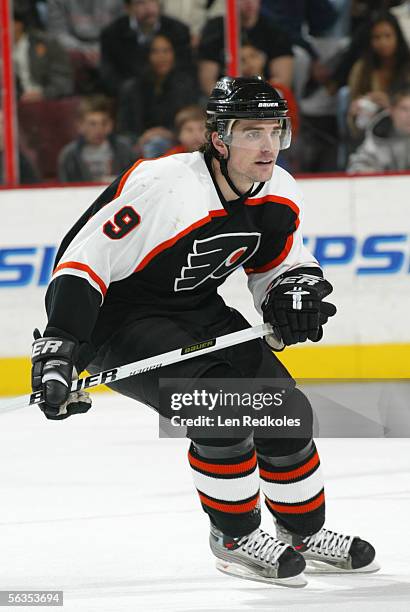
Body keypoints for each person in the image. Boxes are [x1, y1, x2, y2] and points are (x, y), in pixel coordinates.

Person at [31, 76, 379, 587]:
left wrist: (290, 294)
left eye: (275, 130)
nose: (268, 145)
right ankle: (233, 538)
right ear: (220, 138)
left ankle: (301, 532)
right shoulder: (162, 184)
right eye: (252, 132)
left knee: (286, 407)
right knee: (221, 407)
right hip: (118, 325)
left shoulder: (279, 191)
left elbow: (277, 265)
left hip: (196, 311)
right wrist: (62, 346)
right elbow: (85, 261)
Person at [117, 34, 200, 151]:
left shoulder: (185, 84)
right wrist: (144, 137)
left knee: (156, 145)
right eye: (155, 52)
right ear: (147, 55)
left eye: (166, 51)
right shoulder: (132, 88)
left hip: (175, 139)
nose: (162, 57)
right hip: (138, 141)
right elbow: (125, 126)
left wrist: (166, 133)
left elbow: (190, 119)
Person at [198, 0, 294, 96]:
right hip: (224, 100)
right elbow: (208, 81)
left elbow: (282, 80)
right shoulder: (214, 30)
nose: (249, 2)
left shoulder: (274, 30)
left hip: (263, 99)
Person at [100, 0, 192, 95]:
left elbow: (185, 70)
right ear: (128, 8)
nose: (150, 9)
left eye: (153, 1)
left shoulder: (178, 30)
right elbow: (109, 74)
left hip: (170, 95)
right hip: (127, 96)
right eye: (141, 3)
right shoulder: (112, 33)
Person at [347, 12, 410, 136]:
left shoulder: (408, 68)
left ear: (397, 37)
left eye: (388, 36)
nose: (383, 42)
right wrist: (356, 109)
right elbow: (352, 106)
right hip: (368, 131)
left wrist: (390, 106)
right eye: (377, 37)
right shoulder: (362, 68)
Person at [58, 96, 136, 183]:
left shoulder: (124, 149)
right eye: (92, 124)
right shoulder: (70, 155)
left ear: (111, 125)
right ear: (80, 126)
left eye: (104, 123)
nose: (99, 129)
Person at [13, 9, 73, 101]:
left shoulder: (48, 43)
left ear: (18, 24)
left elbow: (63, 80)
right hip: (17, 102)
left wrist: (44, 94)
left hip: (49, 102)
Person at [348, 85, 410, 172]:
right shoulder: (376, 139)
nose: (409, 115)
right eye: (404, 109)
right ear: (392, 111)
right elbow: (358, 167)